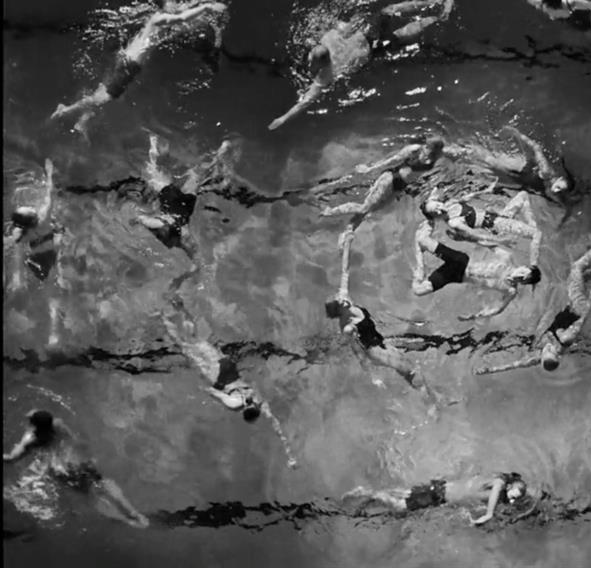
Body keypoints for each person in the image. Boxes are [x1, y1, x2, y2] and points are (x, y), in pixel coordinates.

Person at [51, 0, 227, 135]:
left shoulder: (157, 15)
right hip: (130, 65)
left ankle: (82, 123)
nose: (177, 2)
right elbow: (181, 18)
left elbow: (182, 11)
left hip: (125, 57)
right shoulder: (160, 19)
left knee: (104, 88)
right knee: (104, 98)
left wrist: (199, 5)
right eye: (173, 0)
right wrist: (207, 7)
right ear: (165, 4)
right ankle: (66, 110)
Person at [268, 0, 454, 130]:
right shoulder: (328, 38)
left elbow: (305, 102)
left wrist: (283, 118)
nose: (308, 57)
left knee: (399, 36)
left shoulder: (325, 76)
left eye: (311, 58)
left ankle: (439, 17)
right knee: (388, 11)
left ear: (317, 63)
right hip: (366, 33)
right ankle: (431, 3)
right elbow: (345, 26)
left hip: (370, 49)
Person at [162, 297, 299, 469]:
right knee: (185, 346)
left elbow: (277, 426)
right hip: (217, 375)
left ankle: (179, 310)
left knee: (195, 340)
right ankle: (164, 319)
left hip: (228, 367)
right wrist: (200, 384)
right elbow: (213, 392)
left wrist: (290, 454)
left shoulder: (258, 401)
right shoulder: (235, 403)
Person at [474, 232, 591, 374]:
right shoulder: (565, 339)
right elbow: (583, 318)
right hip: (577, 306)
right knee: (577, 268)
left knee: (588, 276)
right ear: (558, 355)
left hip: (567, 309)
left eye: (545, 352)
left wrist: (489, 370)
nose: (547, 348)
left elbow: (515, 365)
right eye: (551, 351)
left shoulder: (538, 356)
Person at [325, 225, 431, 394]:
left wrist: (347, 245)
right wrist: (373, 376)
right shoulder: (347, 327)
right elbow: (358, 352)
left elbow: (344, 271)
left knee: (405, 369)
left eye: (340, 298)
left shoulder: (346, 300)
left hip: (380, 342)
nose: (343, 299)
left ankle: (427, 397)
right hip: (374, 352)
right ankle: (432, 404)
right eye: (340, 303)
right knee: (411, 370)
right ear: (339, 312)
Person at [2, 409, 149, 528]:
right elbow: (75, 442)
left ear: (34, 427)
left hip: (61, 470)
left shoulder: (31, 442)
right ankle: (132, 512)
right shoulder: (58, 424)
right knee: (103, 484)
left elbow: (11, 459)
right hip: (78, 462)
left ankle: (123, 519)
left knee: (90, 496)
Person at [131, 132, 236, 271]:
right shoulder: (170, 231)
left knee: (198, 175)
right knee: (156, 170)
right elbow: (154, 222)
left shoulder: (180, 238)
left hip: (185, 207)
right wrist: (139, 219)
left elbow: (195, 257)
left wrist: (192, 272)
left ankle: (222, 150)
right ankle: (154, 142)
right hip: (171, 202)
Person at [412, 218, 542, 320]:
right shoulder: (506, 258)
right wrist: (464, 236)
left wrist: (475, 316)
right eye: (524, 272)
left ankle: (419, 267)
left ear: (524, 283)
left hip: (456, 277)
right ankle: (429, 226)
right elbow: (486, 243)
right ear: (524, 267)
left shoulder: (510, 291)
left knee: (418, 291)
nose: (521, 276)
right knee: (422, 240)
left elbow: (498, 309)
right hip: (460, 261)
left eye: (524, 279)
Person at [318, 136, 445, 229]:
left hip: (400, 187)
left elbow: (451, 151)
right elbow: (392, 160)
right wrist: (370, 169)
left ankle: (349, 228)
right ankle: (330, 211)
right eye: (428, 152)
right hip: (390, 179)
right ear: (426, 146)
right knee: (364, 208)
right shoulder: (414, 150)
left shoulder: (436, 156)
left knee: (372, 210)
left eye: (433, 154)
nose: (429, 157)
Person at [4, 159, 66, 347]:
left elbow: (15, 250)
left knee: (21, 255)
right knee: (53, 293)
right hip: (49, 256)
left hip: (33, 258)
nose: (31, 207)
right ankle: (54, 335)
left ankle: (17, 283)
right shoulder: (44, 220)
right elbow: (49, 195)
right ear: (35, 218)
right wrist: (49, 174)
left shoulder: (18, 234)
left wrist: (17, 276)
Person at [342, 471, 533, 525]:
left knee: (404, 494)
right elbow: (499, 486)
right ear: (509, 486)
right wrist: (489, 514)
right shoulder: (498, 482)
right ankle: (375, 496)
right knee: (400, 507)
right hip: (438, 495)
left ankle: (364, 492)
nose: (512, 501)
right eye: (513, 496)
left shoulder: (501, 495)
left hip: (440, 489)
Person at [420, 184, 543, 267]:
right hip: (498, 226)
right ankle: (534, 266)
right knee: (537, 234)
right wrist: (501, 240)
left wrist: (487, 190)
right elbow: (477, 235)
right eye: (435, 213)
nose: (438, 210)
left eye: (436, 206)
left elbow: (469, 197)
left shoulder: (451, 204)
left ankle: (532, 223)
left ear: (437, 202)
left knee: (523, 194)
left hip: (499, 217)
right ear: (436, 218)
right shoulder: (454, 222)